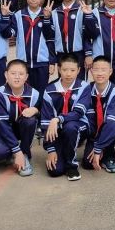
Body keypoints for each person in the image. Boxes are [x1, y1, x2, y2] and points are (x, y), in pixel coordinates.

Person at [41, 53, 90, 181]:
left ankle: (71, 165)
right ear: (59, 69)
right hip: (57, 131)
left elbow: (78, 112)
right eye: (65, 70)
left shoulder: (84, 87)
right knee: (55, 171)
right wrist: (51, 149)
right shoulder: (49, 90)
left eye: (72, 70)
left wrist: (58, 119)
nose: (68, 74)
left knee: (70, 127)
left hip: (79, 126)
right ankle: (61, 150)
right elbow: (46, 121)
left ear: (78, 70)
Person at [0, 59, 41, 177]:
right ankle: (16, 151)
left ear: (26, 77)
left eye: (21, 74)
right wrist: (17, 151)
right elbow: (2, 124)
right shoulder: (0, 94)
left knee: (30, 120)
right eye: (13, 73)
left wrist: (36, 110)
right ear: (6, 75)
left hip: (21, 128)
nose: (17, 77)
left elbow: (43, 113)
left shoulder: (34, 94)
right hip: (3, 129)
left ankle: (25, 152)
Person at [74, 56, 115, 173]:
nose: (100, 73)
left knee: (113, 124)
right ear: (91, 71)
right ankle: (97, 150)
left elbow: (113, 124)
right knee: (88, 163)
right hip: (93, 133)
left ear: (110, 71)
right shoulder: (87, 89)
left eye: (103, 70)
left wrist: (98, 149)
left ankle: (109, 155)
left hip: (110, 131)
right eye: (96, 69)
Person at [12, 0, 54, 95]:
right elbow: (11, 33)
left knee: (41, 92)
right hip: (23, 62)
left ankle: (39, 107)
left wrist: (52, 62)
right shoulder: (19, 15)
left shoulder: (48, 14)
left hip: (42, 62)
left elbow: (50, 38)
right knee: (25, 92)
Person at [47, 0, 92, 80]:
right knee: (64, 83)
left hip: (79, 55)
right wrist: (52, 61)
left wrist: (88, 54)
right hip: (61, 56)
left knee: (80, 85)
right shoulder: (54, 13)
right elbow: (50, 38)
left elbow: (88, 35)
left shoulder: (83, 11)